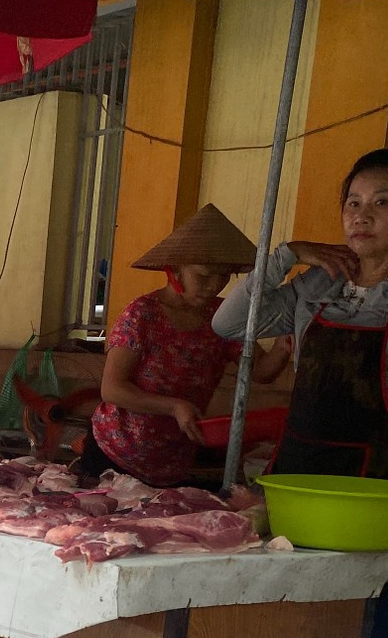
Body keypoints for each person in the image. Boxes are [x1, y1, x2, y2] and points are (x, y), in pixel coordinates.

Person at [214, 147, 388, 479]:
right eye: (353, 202)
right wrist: (286, 255)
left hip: (380, 468)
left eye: (382, 202)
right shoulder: (323, 282)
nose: (362, 216)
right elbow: (228, 323)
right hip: (302, 458)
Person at [88, 205, 288, 486]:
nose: (214, 286)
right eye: (204, 276)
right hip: (115, 454)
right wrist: (174, 407)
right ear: (176, 271)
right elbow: (112, 388)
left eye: (223, 276)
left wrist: (284, 344)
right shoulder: (142, 314)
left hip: (174, 463)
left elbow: (262, 372)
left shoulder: (224, 317)